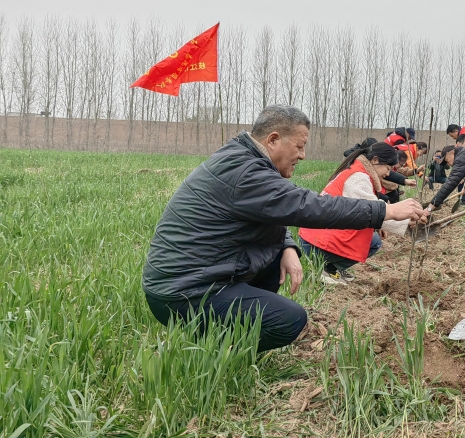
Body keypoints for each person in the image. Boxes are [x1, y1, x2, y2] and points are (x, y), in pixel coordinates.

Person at [142, 106, 426, 352]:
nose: (303, 155)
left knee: (274, 259)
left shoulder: (244, 160)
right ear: (274, 140)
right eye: (300, 146)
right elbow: (306, 205)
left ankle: (227, 327)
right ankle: (218, 352)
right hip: (183, 293)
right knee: (290, 319)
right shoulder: (246, 173)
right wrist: (384, 211)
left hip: (197, 276)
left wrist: (288, 246)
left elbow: (272, 208)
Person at [299, 143, 413, 284]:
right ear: (375, 160)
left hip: (314, 237)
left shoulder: (356, 170)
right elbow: (373, 210)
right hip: (316, 243)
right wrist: (408, 223)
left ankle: (331, 268)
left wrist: (380, 225)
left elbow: (366, 208)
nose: (388, 173)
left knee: (369, 233)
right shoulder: (358, 178)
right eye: (388, 168)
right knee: (374, 242)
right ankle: (327, 269)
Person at [426, 139, 465, 222]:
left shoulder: (461, 159)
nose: (449, 164)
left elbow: (450, 183)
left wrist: (430, 207)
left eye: (447, 160)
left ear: (451, 152)